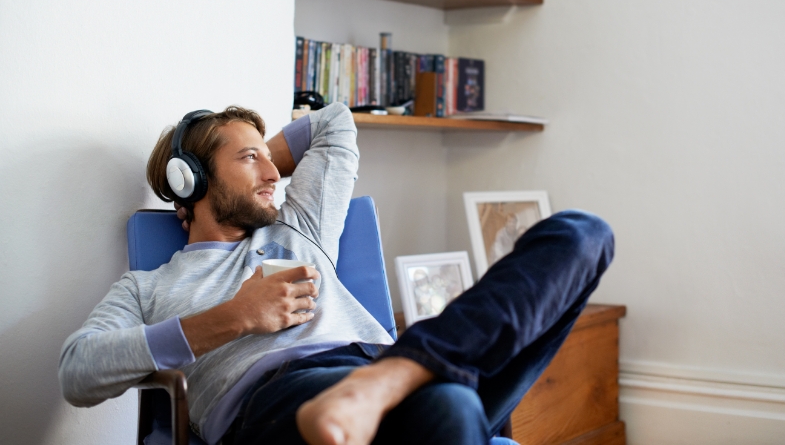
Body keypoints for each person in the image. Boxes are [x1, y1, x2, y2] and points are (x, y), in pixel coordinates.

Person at [59, 103, 615, 445]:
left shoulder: (298, 227)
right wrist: (234, 318)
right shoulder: (149, 288)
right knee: (450, 407)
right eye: (249, 159)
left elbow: (334, 122)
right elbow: (78, 370)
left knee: (583, 235)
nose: (275, 172)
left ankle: (390, 381)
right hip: (281, 405)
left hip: (384, 367)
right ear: (191, 180)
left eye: (268, 157)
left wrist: (257, 154)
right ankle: (404, 383)